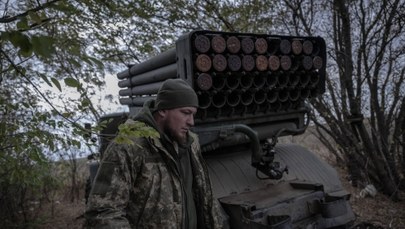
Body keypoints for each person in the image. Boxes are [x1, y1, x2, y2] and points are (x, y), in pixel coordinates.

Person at [84, 79, 226, 228]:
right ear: (163, 110)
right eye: (185, 113)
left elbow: (205, 199)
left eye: (193, 114)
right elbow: (102, 212)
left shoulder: (191, 143)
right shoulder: (129, 146)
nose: (191, 122)